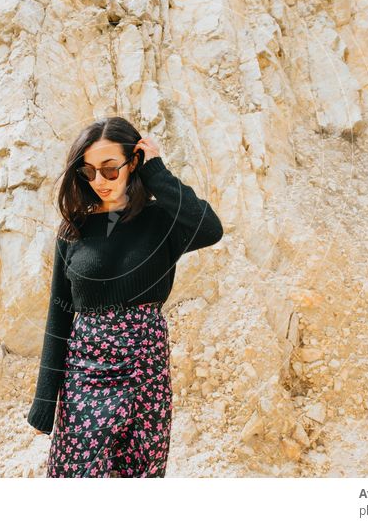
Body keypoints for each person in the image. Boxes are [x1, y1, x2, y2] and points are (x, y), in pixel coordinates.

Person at [27, 116, 223, 477]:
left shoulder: (160, 220)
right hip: (85, 378)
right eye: (88, 172)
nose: (99, 181)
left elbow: (210, 228)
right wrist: (44, 402)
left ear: (133, 162)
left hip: (146, 375)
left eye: (110, 169)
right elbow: (59, 316)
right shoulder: (73, 230)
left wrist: (158, 172)